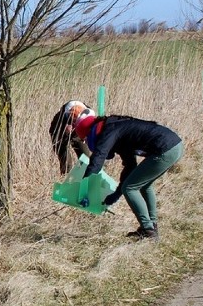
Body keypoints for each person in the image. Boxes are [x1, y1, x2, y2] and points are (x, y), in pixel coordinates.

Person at [52, 100, 183, 241]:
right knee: (144, 185)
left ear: (91, 135)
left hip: (165, 149)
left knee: (130, 188)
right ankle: (151, 225)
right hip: (174, 146)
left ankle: (148, 230)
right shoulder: (117, 129)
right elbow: (130, 166)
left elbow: (97, 160)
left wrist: (84, 190)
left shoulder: (107, 131)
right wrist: (115, 194)